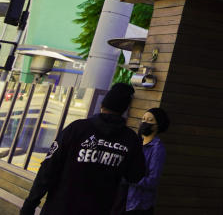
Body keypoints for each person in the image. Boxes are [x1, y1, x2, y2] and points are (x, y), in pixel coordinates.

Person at [20, 82, 146, 215]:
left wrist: (30, 205)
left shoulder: (76, 129)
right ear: (124, 110)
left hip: (60, 207)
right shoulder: (130, 139)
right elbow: (135, 176)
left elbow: (49, 168)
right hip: (99, 208)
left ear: (102, 105)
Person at [121, 107, 169, 215]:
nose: (145, 122)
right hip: (122, 198)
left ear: (158, 126)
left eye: (150, 120)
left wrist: (131, 179)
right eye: (143, 119)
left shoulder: (157, 148)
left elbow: (153, 180)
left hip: (139, 204)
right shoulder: (135, 142)